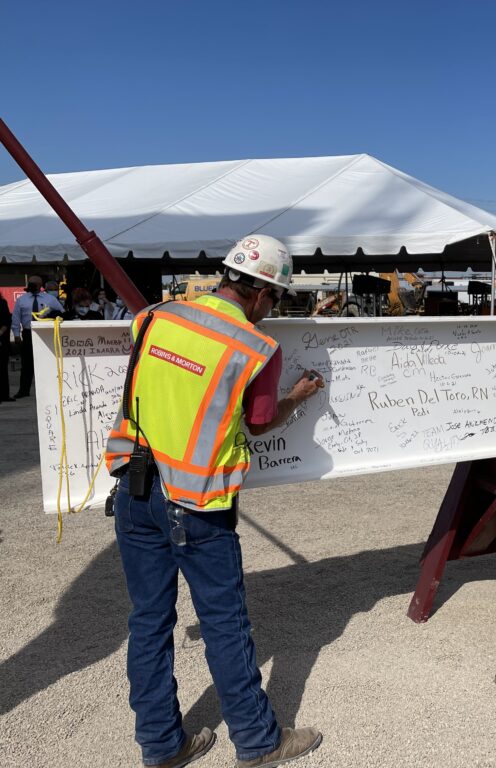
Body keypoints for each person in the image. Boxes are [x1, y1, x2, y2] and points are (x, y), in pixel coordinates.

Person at [104, 235, 325, 768]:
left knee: (149, 620)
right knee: (225, 622)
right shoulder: (256, 349)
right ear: (259, 294)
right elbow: (258, 420)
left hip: (134, 490)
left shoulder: (154, 318)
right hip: (198, 505)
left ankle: (161, 745)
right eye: (275, 301)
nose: (272, 313)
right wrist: (297, 397)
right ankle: (258, 741)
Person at [10, 275, 65, 398]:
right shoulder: (22, 300)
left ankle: (49, 390)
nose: (30, 286)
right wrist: (17, 334)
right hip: (28, 333)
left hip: (45, 333)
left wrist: (50, 315)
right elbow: (16, 317)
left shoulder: (49, 299)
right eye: (29, 283)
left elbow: (61, 312)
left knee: (47, 362)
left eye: (33, 284)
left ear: (40, 285)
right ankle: (23, 390)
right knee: (27, 364)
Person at [0, 296, 12, 402]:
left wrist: (0, 333)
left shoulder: (2, 303)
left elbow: (6, 321)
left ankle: (4, 395)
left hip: (1, 341)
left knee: (3, 368)